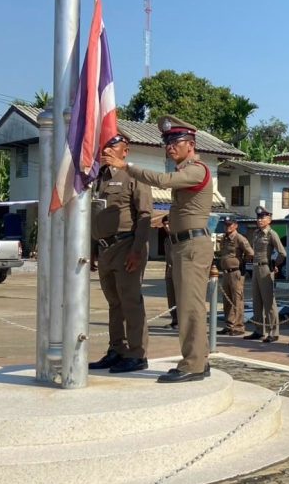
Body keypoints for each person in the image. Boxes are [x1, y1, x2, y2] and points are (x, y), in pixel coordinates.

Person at [102, 116, 213, 382]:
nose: (170, 147)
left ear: (191, 145)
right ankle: (199, 360)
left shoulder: (197, 170)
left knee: (190, 307)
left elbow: (162, 181)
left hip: (192, 245)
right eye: (167, 143)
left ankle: (194, 365)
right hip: (182, 245)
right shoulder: (186, 171)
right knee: (186, 306)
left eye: (176, 142)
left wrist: (126, 166)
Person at [88, 130, 152, 374]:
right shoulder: (98, 178)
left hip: (127, 246)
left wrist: (137, 250)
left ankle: (137, 354)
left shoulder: (133, 176)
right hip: (105, 248)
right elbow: (95, 215)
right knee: (114, 303)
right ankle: (117, 349)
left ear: (125, 151)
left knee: (131, 302)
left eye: (111, 147)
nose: (105, 151)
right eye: (103, 146)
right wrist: (92, 249)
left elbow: (145, 215)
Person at [244, 206, 287, 344]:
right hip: (255, 268)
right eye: (258, 218)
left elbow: (282, 253)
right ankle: (259, 330)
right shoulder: (256, 233)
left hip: (265, 269)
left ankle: (273, 332)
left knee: (269, 302)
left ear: (269, 219)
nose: (259, 220)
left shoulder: (271, 234)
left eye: (263, 217)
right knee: (256, 302)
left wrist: (275, 264)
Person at [217, 216, 253, 336]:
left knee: (237, 300)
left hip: (236, 273)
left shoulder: (239, 238)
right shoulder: (224, 238)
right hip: (226, 273)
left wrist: (241, 262)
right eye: (226, 224)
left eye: (230, 224)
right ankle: (229, 325)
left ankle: (238, 327)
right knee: (227, 300)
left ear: (235, 226)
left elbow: (250, 253)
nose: (227, 226)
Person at [161, 213, 177, 328]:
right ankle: (175, 319)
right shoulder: (167, 239)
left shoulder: (179, 238)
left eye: (168, 224)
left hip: (178, 269)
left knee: (180, 297)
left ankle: (181, 320)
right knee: (171, 297)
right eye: (164, 224)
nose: (166, 226)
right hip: (169, 269)